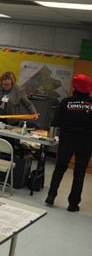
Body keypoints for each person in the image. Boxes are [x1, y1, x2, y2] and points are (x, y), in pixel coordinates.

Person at [45, 74, 92, 212]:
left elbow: (56, 122)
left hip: (67, 140)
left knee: (60, 168)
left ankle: (51, 195)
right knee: (79, 172)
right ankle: (73, 204)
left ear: (74, 87)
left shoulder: (65, 102)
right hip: (86, 142)